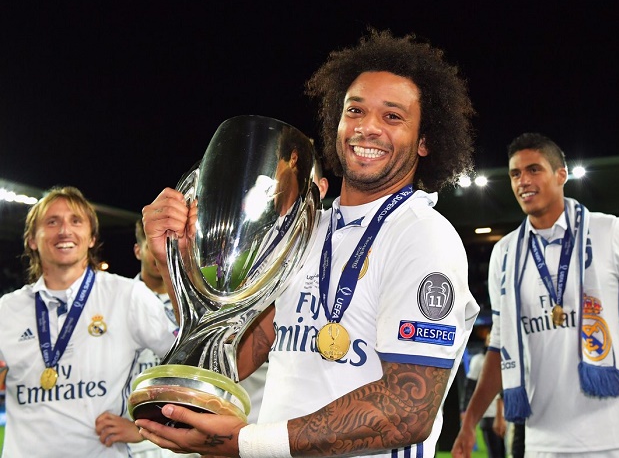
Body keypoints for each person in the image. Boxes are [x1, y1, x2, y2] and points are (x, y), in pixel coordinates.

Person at [136, 29, 479, 458]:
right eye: (355, 110)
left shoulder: (422, 235)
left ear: (425, 141)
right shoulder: (306, 230)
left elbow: (407, 411)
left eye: (392, 117)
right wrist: (175, 259)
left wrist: (245, 443)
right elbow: (234, 357)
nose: (367, 127)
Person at [452, 133, 619, 458]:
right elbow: (500, 344)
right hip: (542, 444)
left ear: (561, 175)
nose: (523, 181)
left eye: (534, 169)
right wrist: (470, 421)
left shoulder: (612, 232)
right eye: (515, 173)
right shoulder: (505, 253)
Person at [0, 186, 176, 457]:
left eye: (76, 221)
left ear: (92, 237)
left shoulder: (127, 295)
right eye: (52, 222)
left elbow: (185, 362)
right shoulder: (7, 309)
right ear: (32, 240)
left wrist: (148, 427)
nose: (64, 230)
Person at [239, 150, 329, 424]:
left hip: (314, 423)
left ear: (322, 188)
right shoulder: (253, 248)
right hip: (258, 417)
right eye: (279, 180)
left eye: (300, 179)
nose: (287, 190)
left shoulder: (337, 243)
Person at [94, 219, 188, 458]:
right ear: (138, 250)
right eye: (153, 246)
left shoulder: (193, 305)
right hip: (128, 439)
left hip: (182, 435)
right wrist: (138, 428)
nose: (162, 254)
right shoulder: (113, 301)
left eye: (169, 246)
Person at [458, 330, 505, 458]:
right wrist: (464, 409)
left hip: (505, 412)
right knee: (494, 452)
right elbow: (469, 387)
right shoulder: (478, 360)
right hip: (487, 412)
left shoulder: (506, 359)